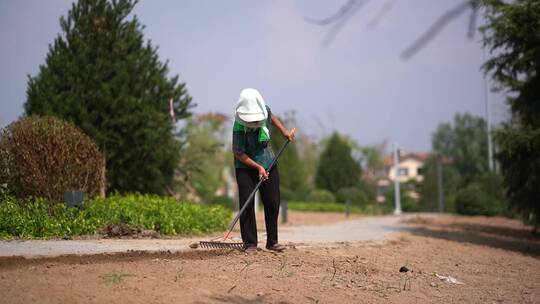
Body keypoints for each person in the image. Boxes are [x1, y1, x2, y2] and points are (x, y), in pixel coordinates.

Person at [232, 88, 295, 252]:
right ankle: (250, 244)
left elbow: (272, 117)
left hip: (268, 160)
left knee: (273, 201)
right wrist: (258, 167)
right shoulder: (239, 126)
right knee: (247, 203)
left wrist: (284, 132)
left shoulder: (264, 111)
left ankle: (272, 242)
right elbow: (238, 153)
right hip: (245, 166)